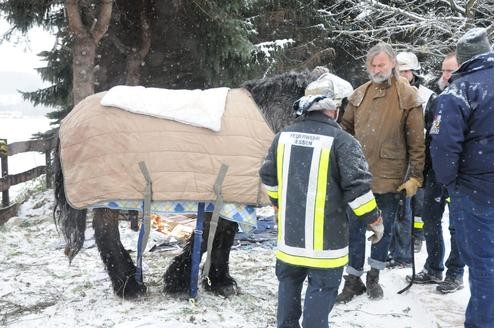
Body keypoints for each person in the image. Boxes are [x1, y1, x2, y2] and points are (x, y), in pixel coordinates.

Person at [260, 72, 384, 328]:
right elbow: (358, 190)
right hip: (327, 244)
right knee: (321, 292)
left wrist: (277, 203)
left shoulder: (283, 136)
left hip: (290, 240)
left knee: (289, 287)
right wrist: (374, 219)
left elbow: (268, 177)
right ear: (334, 109)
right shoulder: (343, 141)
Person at [337, 42, 425, 302]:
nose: (377, 69)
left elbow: (417, 142)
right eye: (373, 65)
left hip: (390, 177)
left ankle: (374, 276)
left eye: (381, 64)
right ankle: (353, 280)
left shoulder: (407, 96)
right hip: (358, 178)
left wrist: (415, 176)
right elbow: (344, 130)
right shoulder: (359, 94)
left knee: (381, 230)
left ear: (393, 65)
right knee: (354, 228)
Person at [430, 27, 493, 328]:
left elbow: (443, 147)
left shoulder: (459, 91)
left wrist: (449, 181)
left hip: (475, 189)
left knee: (482, 263)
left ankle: (481, 321)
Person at [406, 52, 466, 294]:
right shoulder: (438, 100)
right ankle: (433, 267)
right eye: (443, 70)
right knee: (430, 220)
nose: (445, 75)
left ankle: (455, 273)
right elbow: (431, 134)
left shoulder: (468, 98)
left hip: (460, 174)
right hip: (434, 172)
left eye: (450, 71)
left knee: (456, 226)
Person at [387, 51, 434, 267]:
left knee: (414, 206)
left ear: (413, 72)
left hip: (418, 157)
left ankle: (407, 249)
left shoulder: (427, 96)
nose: (403, 75)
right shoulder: (389, 93)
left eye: (406, 71)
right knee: (398, 208)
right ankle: (397, 249)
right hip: (394, 158)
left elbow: (432, 129)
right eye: (399, 71)